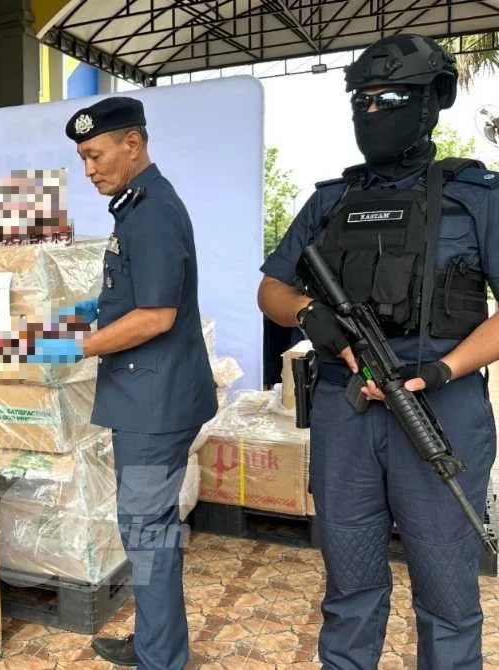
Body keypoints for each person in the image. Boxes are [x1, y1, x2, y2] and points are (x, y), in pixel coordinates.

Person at [258, 34, 499, 668]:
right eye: (361, 100)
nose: (373, 111)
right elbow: (272, 289)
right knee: (350, 590)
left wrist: (443, 367)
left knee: (447, 598)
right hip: (348, 413)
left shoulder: (475, 199)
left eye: (390, 97)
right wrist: (310, 314)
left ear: (433, 101)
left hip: (440, 413)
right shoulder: (331, 201)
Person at [28, 96, 218, 668]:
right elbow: (136, 296)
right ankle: (157, 643)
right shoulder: (136, 206)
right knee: (145, 531)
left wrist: (75, 346)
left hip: (154, 404)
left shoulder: (152, 209)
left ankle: (162, 659)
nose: (89, 170)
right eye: (83, 159)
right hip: (145, 396)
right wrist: (95, 309)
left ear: (132, 143)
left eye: (95, 155)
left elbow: (157, 316)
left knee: (148, 534)